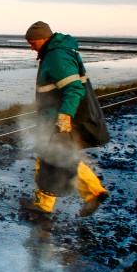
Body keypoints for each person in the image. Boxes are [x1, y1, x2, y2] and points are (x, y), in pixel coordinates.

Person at [22, 21, 109, 219]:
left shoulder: (57, 56)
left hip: (58, 118)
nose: (31, 46)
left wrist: (65, 116)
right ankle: (49, 202)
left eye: (32, 42)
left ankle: (90, 193)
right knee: (54, 156)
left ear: (43, 38)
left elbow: (74, 88)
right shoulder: (54, 53)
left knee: (55, 157)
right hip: (52, 117)